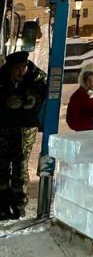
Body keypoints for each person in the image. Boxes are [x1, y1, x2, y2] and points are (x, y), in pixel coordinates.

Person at [0, 51, 47, 220]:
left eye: (23, 68)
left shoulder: (36, 77)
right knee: (1, 166)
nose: (21, 72)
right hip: (4, 128)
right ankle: (2, 205)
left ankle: (19, 206)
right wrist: (5, 102)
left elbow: (46, 92)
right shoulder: (2, 77)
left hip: (25, 129)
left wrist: (33, 99)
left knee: (20, 166)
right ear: (10, 68)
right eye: (17, 69)